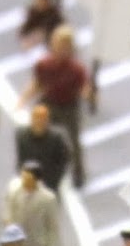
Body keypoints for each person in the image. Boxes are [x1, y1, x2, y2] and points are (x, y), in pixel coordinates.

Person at [18, 26, 93, 187]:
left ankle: (78, 173)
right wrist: (23, 100)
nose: (62, 49)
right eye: (59, 44)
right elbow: (37, 84)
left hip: (69, 106)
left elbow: (84, 88)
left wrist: (89, 94)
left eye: (66, 46)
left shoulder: (76, 69)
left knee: (74, 141)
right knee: (37, 136)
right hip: (49, 103)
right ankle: (36, 171)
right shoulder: (44, 65)